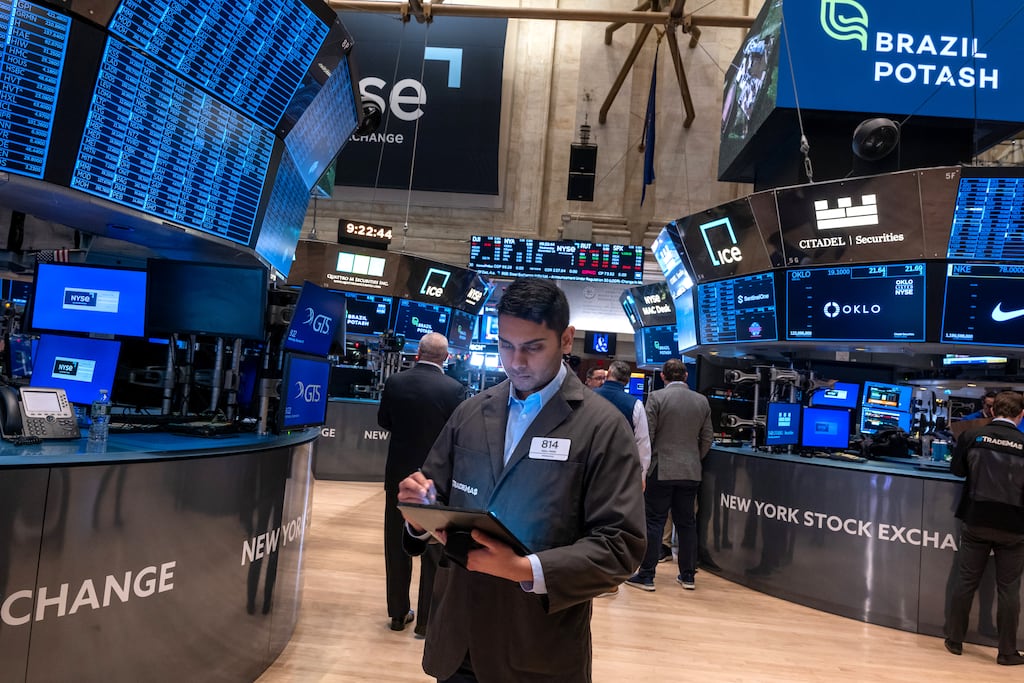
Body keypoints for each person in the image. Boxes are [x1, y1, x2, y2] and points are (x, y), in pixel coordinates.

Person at [397, 278, 646, 682]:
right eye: (505, 346)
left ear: (566, 339)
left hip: (536, 650)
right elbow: (435, 491)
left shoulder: (602, 427)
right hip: (456, 637)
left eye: (533, 347)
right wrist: (418, 512)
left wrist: (523, 569)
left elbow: (620, 547)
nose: (516, 362)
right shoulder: (472, 412)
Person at [378, 332, 468, 636]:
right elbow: (458, 436)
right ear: (445, 358)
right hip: (437, 480)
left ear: (418, 353)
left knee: (396, 544)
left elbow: (384, 421)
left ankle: (397, 613)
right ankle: (427, 622)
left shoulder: (395, 383)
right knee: (434, 547)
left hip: (399, 477)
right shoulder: (455, 389)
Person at [944, 390, 1024, 666]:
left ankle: (954, 640)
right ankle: (1007, 652)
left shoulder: (970, 437)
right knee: (1009, 589)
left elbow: (957, 471)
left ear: (992, 411)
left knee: (965, 580)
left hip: (976, 520)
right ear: (1021, 414)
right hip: (1014, 527)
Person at [626, 358, 712, 592]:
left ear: (663, 377)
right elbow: (707, 439)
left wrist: (647, 464)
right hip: (691, 471)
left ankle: (647, 576)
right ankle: (687, 576)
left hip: (661, 469)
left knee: (654, 522)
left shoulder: (656, 398)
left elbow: (647, 436)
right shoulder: (701, 401)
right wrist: (694, 458)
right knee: (687, 524)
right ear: (685, 376)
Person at [592, 360, 650, 483]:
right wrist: (642, 475)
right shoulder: (635, 405)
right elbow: (642, 443)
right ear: (628, 381)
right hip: (619, 470)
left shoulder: (587, 397)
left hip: (589, 465)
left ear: (608, 374)